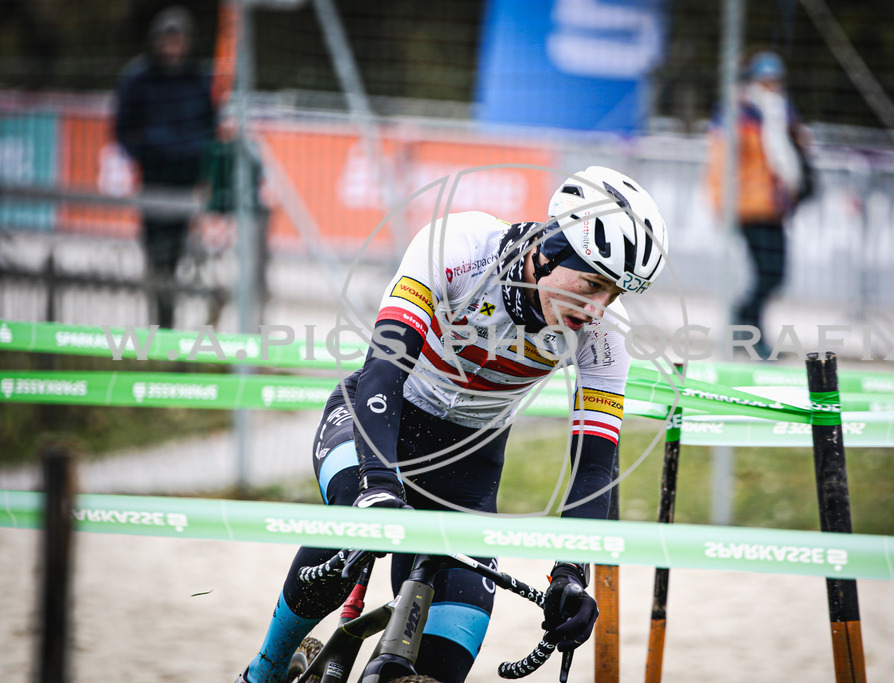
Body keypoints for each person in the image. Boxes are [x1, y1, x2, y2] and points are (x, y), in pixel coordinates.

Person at [235, 166, 669, 683]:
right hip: (379, 428)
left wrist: (572, 572)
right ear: (549, 251)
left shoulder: (604, 338)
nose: (598, 308)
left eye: (614, 294)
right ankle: (263, 672)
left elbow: (594, 465)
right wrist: (377, 488)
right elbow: (383, 372)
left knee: (443, 663)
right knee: (350, 527)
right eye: (592, 284)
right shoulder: (460, 248)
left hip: (468, 471)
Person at [114, 5, 217, 328]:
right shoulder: (138, 78)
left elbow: (211, 127)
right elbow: (122, 126)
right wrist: (147, 153)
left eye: (179, 41)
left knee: (179, 252)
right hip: (155, 176)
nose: (173, 49)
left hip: (187, 178)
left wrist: (204, 169)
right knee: (155, 250)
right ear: (156, 41)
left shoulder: (199, 78)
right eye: (167, 41)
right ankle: (160, 321)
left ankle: (171, 322)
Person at [706, 50, 813, 358]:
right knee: (767, 274)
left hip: (774, 207)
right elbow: (720, 164)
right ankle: (748, 331)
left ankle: (747, 329)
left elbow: (790, 158)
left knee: (773, 275)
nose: (772, 87)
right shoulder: (736, 116)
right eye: (765, 81)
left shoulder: (781, 115)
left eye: (775, 81)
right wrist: (720, 205)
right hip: (747, 208)